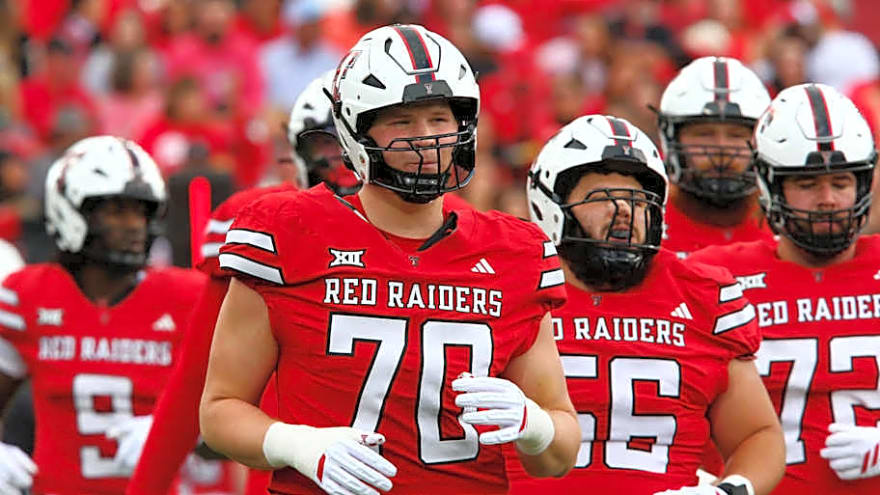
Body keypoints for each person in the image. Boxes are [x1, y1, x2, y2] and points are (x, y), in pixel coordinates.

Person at [200, 24, 580, 495]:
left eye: (440, 119)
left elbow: (559, 453)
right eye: (401, 121)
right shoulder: (290, 230)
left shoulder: (513, 252)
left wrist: (535, 426)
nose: (425, 139)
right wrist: (296, 443)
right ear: (356, 131)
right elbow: (220, 409)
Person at [513, 114, 784, 494]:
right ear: (551, 207)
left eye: (637, 199)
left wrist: (729, 490)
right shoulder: (512, 288)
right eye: (601, 197)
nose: (624, 211)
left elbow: (757, 434)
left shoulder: (702, 295)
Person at [127, 71, 362, 495]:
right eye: (328, 143)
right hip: (286, 472)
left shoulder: (452, 226)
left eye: (356, 137)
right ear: (298, 150)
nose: (345, 160)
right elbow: (195, 380)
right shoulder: (263, 223)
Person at [688, 83, 880, 494]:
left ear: (863, 185)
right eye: (808, 185)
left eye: (841, 182)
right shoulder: (715, 275)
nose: (828, 199)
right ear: (772, 187)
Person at [0, 135, 205, 494]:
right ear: (72, 210)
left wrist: (179, 433)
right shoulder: (27, 295)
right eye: (116, 210)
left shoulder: (186, 296)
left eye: (141, 211)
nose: (134, 225)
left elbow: (238, 415)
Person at [657, 56, 773, 258]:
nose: (722, 148)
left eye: (737, 135)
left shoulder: (789, 231)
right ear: (672, 138)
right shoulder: (643, 226)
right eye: (704, 134)